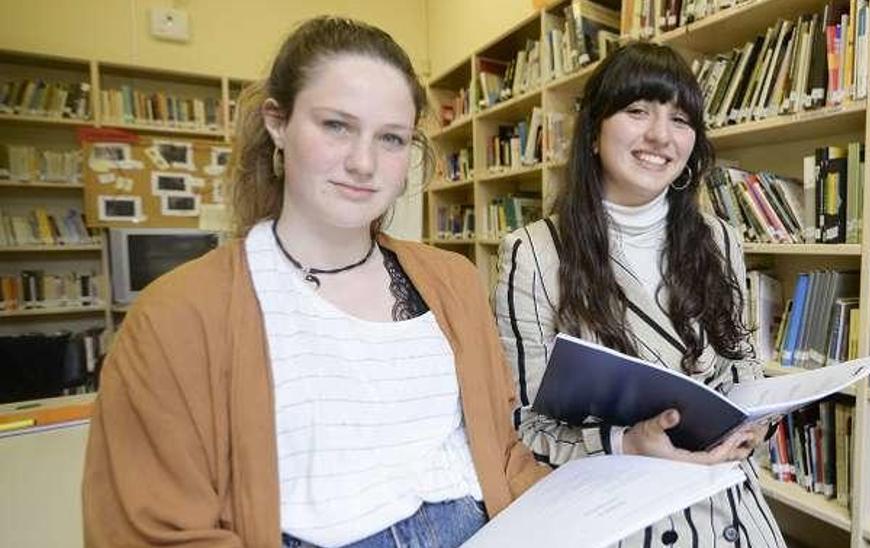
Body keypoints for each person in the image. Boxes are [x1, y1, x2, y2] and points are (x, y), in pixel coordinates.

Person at [82, 16, 546, 547]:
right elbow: (151, 529)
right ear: (278, 123)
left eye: (391, 138)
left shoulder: (455, 283)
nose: (363, 163)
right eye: (336, 126)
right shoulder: (177, 315)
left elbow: (502, 453)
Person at [494, 42, 786, 547]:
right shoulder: (534, 252)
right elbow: (524, 428)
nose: (659, 136)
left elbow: (741, 365)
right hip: (621, 516)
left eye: (680, 119)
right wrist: (626, 441)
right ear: (594, 130)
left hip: (728, 506)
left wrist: (757, 419)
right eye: (637, 111)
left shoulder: (720, 239)